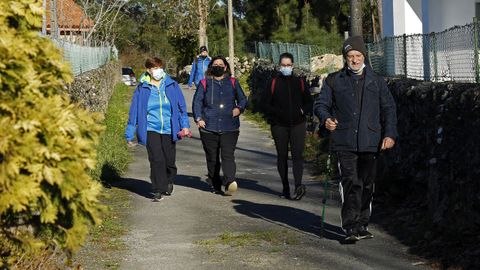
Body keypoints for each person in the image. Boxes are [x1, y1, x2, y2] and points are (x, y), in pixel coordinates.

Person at [314, 36, 398, 242]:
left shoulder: (377, 81)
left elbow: (389, 109)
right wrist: (326, 119)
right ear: (345, 58)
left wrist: (389, 134)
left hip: (371, 140)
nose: (354, 60)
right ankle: (350, 226)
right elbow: (321, 105)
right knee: (351, 182)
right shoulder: (334, 80)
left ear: (364, 56)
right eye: (350, 56)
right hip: (345, 140)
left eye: (358, 55)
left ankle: (362, 224)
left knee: (367, 184)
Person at [125, 57, 191, 202]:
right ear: (148, 70)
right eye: (154, 68)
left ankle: (169, 179)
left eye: (160, 67)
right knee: (156, 159)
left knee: (169, 161)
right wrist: (130, 133)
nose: (158, 70)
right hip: (151, 128)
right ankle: (157, 189)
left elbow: (181, 108)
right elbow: (134, 111)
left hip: (169, 128)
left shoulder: (172, 85)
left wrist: (185, 125)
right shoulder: (142, 88)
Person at [192, 55, 248, 196]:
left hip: (230, 127)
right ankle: (215, 183)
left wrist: (239, 108)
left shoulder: (233, 82)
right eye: (215, 64)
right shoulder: (204, 83)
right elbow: (197, 102)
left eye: (221, 65)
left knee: (228, 155)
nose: (218, 66)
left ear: (226, 68)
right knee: (212, 158)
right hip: (208, 127)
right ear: (211, 67)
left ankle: (230, 182)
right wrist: (199, 118)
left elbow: (242, 98)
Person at [261, 52, 313, 200]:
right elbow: (264, 103)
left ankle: (298, 186)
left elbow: (309, 102)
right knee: (282, 156)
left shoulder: (300, 82)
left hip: (298, 124)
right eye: (283, 65)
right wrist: (276, 113)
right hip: (279, 125)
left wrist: (302, 111)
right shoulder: (273, 82)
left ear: (293, 66)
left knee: (297, 156)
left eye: (288, 65)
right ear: (279, 66)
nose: (286, 68)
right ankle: (285, 187)